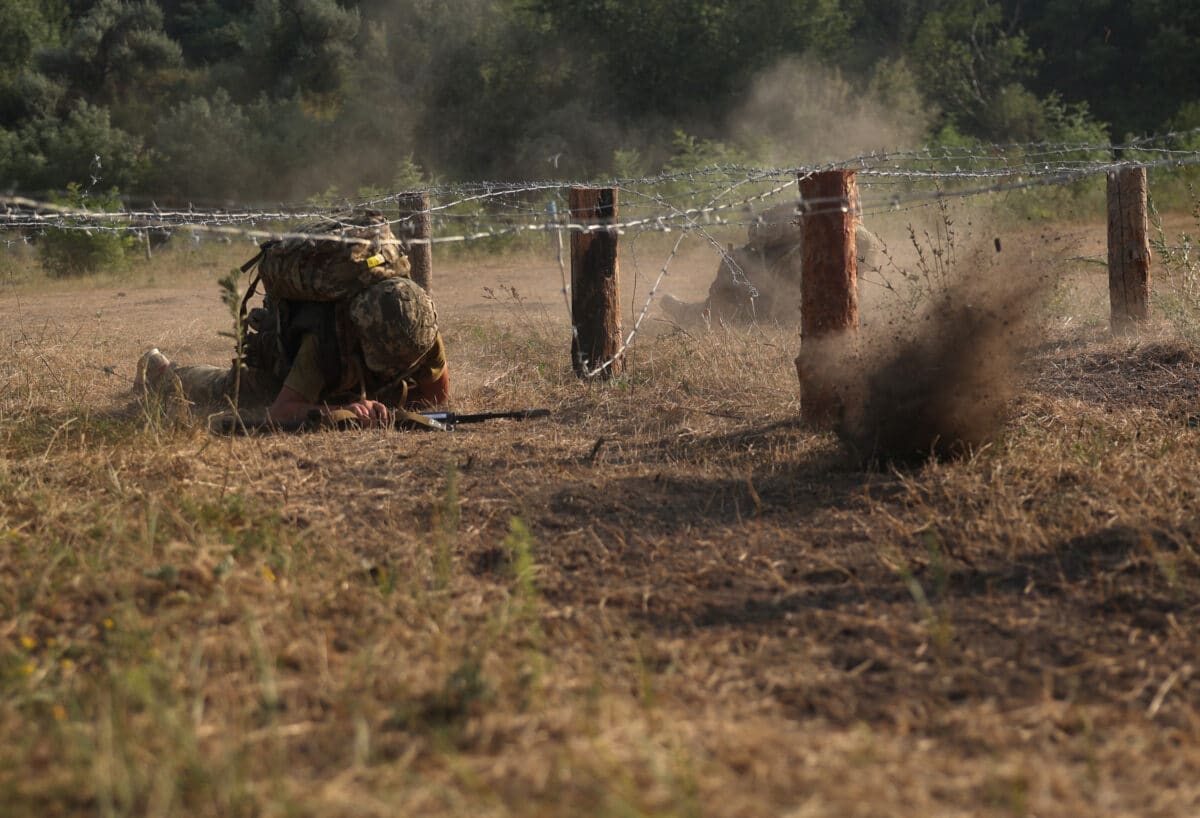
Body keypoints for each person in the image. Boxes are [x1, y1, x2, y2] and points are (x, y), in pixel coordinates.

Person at [135, 246, 449, 428]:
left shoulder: (419, 331)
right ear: (360, 332)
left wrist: (382, 407)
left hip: (345, 382)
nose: (396, 370)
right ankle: (160, 370)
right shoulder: (324, 340)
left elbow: (435, 399)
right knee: (227, 387)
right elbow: (282, 412)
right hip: (281, 372)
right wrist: (342, 411)